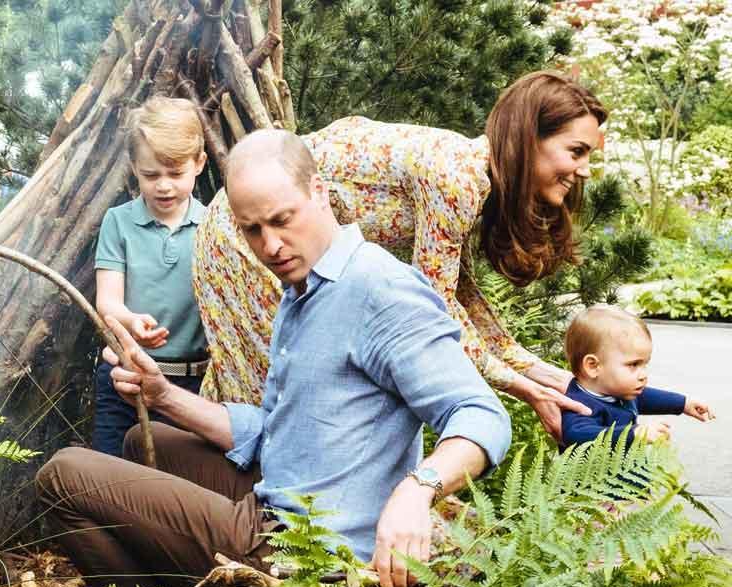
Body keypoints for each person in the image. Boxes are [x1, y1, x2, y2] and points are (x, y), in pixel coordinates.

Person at [36, 130, 511, 587]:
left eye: (283, 220)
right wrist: (163, 396)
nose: (271, 246)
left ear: (321, 193)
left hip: (304, 549)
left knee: (63, 474)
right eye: (252, 230)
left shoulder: (381, 289)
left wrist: (418, 491)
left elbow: (480, 414)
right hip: (286, 493)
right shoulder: (303, 290)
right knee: (139, 443)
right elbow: (280, 431)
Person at [194, 70, 607, 441]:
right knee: (280, 391)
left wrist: (541, 373)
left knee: (266, 384)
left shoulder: (470, 175)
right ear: (530, 139)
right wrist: (521, 387)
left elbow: (461, 294)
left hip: (265, 230)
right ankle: (261, 517)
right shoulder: (456, 177)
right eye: (576, 151)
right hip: (242, 230)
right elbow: (437, 310)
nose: (585, 169)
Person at [91, 97, 210, 456]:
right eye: (151, 175)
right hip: (125, 377)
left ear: (200, 164)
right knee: (112, 480)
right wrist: (130, 321)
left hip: (192, 385)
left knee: (177, 491)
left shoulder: (213, 227)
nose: (164, 186)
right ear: (133, 168)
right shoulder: (119, 222)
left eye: (176, 173)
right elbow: (107, 301)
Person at [560, 305, 713, 449]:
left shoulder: (617, 391)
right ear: (593, 366)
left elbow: (643, 397)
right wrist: (633, 434)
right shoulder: (580, 405)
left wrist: (684, 403)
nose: (643, 375)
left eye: (644, 365)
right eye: (633, 365)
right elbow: (577, 436)